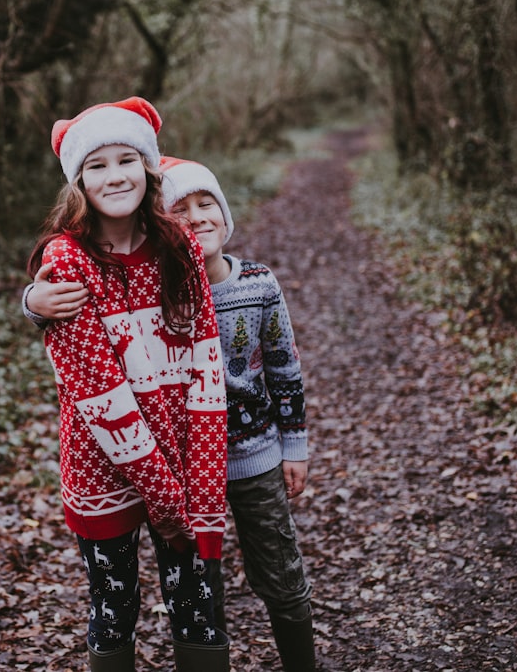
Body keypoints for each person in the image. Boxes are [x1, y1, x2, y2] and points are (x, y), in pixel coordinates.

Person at [25, 156, 318, 671]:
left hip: (221, 454)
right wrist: (33, 300)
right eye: (183, 209)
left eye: (209, 206)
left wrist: (293, 443)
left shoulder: (224, 272)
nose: (198, 218)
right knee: (148, 598)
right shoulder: (115, 258)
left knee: (237, 584)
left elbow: (281, 366)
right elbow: (85, 328)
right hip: (140, 458)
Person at [27, 99, 231, 672]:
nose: (115, 175)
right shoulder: (67, 261)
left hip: (186, 458)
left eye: (127, 160)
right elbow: (99, 393)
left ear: (149, 168)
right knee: (114, 605)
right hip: (104, 466)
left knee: (199, 606)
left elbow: (205, 364)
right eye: (98, 165)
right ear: (78, 181)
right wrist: (165, 499)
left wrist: (201, 482)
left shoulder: (179, 245)